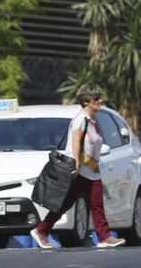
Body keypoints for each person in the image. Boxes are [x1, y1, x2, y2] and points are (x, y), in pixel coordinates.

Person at [32, 85, 123, 250]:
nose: (100, 101)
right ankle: (41, 230)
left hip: (91, 169)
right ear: (86, 101)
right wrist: (76, 163)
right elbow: (75, 140)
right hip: (80, 169)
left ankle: (104, 237)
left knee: (96, 203)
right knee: (67, 203)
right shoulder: (81, 118)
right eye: (96, 99)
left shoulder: (93, 120)